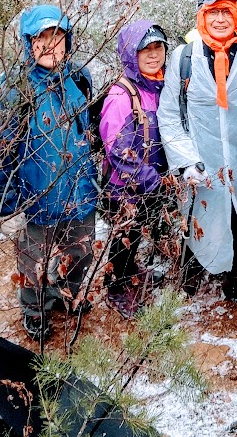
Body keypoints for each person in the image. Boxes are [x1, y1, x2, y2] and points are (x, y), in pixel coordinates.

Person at [0, 4, 102, 342]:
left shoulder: (78, 78)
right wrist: (5, 203)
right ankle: (34, 310)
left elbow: (87, 131)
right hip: (34, 197)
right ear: (28, 43)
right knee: (32, 261)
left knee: (81, 252)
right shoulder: (14, 90)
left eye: (57, 37)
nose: (50, 46)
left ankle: (64, 294)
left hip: (79, 190)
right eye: (41, 38)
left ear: (68, 40)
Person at [158, 0, 237, 301]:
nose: (221, 19)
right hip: (200, 163)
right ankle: (192, 272)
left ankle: (233, 272)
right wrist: (186, 161)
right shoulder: (183, 58)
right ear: (202, 15)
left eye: (227, 10)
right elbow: (169, 114)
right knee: (197, 217)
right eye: (213, 11)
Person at [96, 20, 176, 318]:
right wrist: (152, 180)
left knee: (135, 236)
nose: (154, 55)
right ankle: (115, 287)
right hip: (124, 188)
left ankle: (131, 271)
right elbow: (118, 150)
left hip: (148, 184)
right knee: (123, 239)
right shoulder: (122, 96)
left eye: (158, 47)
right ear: (131, 54)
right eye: (145, 50)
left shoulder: (159, 86)